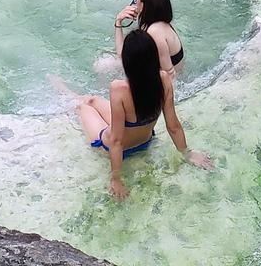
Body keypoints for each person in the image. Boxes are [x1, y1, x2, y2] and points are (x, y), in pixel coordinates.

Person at [57, 31, 212, 200]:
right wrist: (187, 153)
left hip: (111, 144)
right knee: (93, 100)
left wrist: (116, 179)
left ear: (127, 62)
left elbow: (116, 140)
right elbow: (172, 125)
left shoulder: (119, 88)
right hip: (144, 141)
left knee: (82, 106)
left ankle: (63, 90)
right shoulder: (164, 79)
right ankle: (70, 92)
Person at [115, 0, 184, 75]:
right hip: (163, 75)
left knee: (103, 64)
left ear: (143, 6)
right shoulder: (160, 25)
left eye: (137, 0)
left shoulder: (155, 32)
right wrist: (119, 21)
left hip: (168, 81)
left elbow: (170, 74)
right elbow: (124, 55)